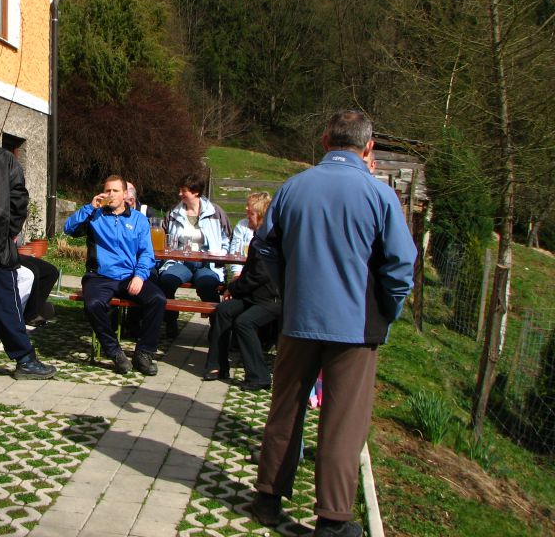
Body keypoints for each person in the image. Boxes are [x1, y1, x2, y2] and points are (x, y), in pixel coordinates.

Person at [248, 110, 417, 537]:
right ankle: (332, 520)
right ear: (369, 146)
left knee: (285, 408)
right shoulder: (379, 197)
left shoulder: (292, 188)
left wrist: (290, 287)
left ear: (325, 140)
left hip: (298, 318)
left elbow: (264, 245)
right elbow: (401, 265)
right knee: (343, 420)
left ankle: (267, 498)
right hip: (355, 327)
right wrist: (389, 309)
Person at [0, 110, 55, 381]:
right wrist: (9, 233)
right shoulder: (6, 160)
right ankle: (24, 359)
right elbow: (19, 201)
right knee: (8, 302)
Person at [64, 175, 166, 375]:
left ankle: (144, 353)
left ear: (125, 194)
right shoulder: (95, 215)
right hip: (100, 276)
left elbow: (146, 253)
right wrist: (89, 207)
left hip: (130, 275)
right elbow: (69, 229)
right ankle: (115, 352)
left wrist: (139, 276)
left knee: (158, 299)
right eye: (107, 190)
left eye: (115, 191)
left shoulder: (139, 220)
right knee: (93, 305)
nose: (110, 194)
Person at [203, 191, 278, 387]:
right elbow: (250, 272)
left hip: (273, 299)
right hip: (253, 296)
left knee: (244, 323)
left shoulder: (270, 240)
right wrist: (234, 288)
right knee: (223, 311)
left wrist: (234, 289)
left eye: (250, 212)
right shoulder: (258, 237)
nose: (246, 214)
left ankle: (259, 376)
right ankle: (217, 366)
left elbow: (259, 275)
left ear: (260, 214)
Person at [158, 173, 232, 338]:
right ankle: (170, 321)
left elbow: (226, 239)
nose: (180, 194)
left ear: (196, 192)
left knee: (207, 283)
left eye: (183, 190)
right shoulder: (173, 213)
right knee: (167, 280)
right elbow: (165, 238)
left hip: (206, 262)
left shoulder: (215, 213)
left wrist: (221, 253)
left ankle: (216, 326)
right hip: (181, 261)